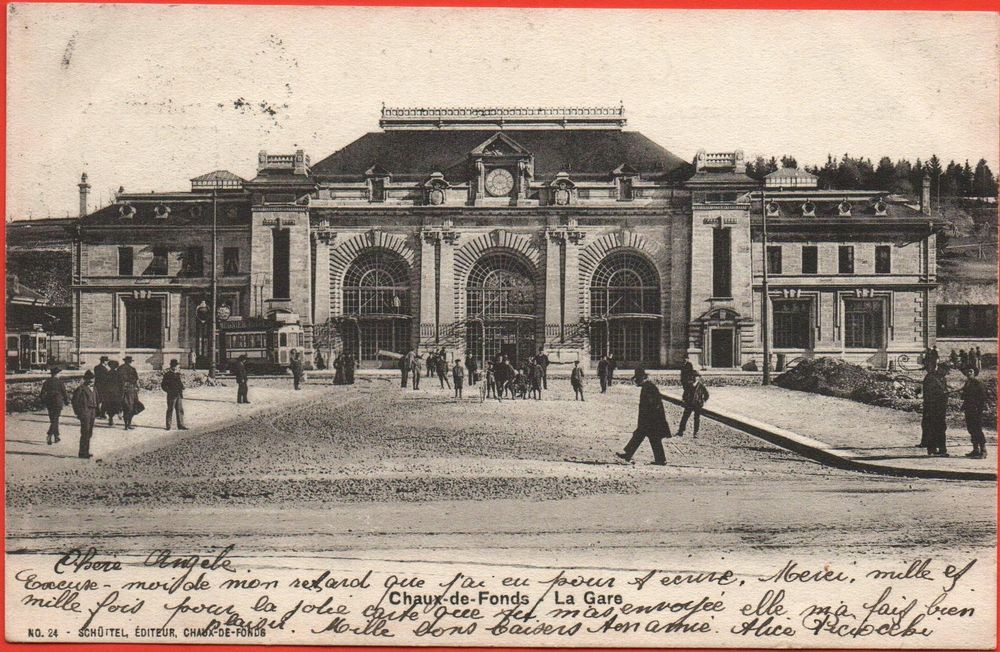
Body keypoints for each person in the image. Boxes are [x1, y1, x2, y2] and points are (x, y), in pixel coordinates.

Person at [616, 368, 670, 465]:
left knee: (649, 437)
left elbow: (651, 404)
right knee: (643, 436)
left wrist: (649, 419)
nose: (636, 381)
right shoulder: (648, 386)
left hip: (652, 419)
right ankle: (629, 454)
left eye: (637, 379)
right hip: (651, 419)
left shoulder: (648, 387)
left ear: (642, 378)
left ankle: (660, 459)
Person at [921, 366, 949, 456]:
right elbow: (927, 392)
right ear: (940, 369)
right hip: (932, 407)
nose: (945, 373)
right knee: (932, 428)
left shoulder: (943, 379)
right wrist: (941, 394)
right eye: (945, 370)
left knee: (941, 428)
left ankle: (942, 449)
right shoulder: (930, 377)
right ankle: (932, 449)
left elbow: (944, 390)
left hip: (941, 408)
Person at [961, 367, 988, 459]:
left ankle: (983, 451)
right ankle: (975, 449)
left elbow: (983, 397)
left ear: (975, 373)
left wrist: (979, 408)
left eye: (971, 371)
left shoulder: (978, 383)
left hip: (976, 410)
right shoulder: (967, 383)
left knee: (977, 429)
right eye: (967, 371)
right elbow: (965, 396)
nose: (968, 373)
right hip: (968, 409)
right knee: (971, 429)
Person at [71, 370, 98, 459]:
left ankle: (86, 451)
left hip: (92, 412)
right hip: (85, 412)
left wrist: (97, 411)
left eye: (92, 379)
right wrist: (78, 413)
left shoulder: (94, 388)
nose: (91, 381)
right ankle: (82, 452)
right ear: (85, 379)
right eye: (89, 379)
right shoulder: (81, 389)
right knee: (85, 432)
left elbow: (97, 399)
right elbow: (74, 401)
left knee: (89, 432)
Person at [39, 366, 69, 445]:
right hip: (58, 402)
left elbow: (42, 393)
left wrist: (43, 401)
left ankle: (56, 437)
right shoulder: (60, 382)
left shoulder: (46, 382)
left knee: (53, 419)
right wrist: (66, 401)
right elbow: (64, 393)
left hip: (49, 402)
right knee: (55, 419)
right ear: (57, 374)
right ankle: (49, 434)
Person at [161, 359, 187, 431]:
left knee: (180, 410)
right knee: (170, 410)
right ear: (172, 366)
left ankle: (181, 425)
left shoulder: (177, 374)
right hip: (171, 395)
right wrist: (169, 391)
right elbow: (163, 385)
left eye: (177, 366)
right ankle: (168, 425)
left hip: (178, 394)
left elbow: (180, 383)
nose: (176, 367)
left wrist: (182, 387)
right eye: (175, 366)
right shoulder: (167, 374)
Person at [118, 356, 140, 430]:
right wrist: (137, 387)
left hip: (122, 389)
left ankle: (126, 425)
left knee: (125, 407)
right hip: (131, 390)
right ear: (130, 361)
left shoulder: (120, 368)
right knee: (132, 407)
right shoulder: (132, 369)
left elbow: (117, 379)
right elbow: (136, 380)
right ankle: (129, 424)